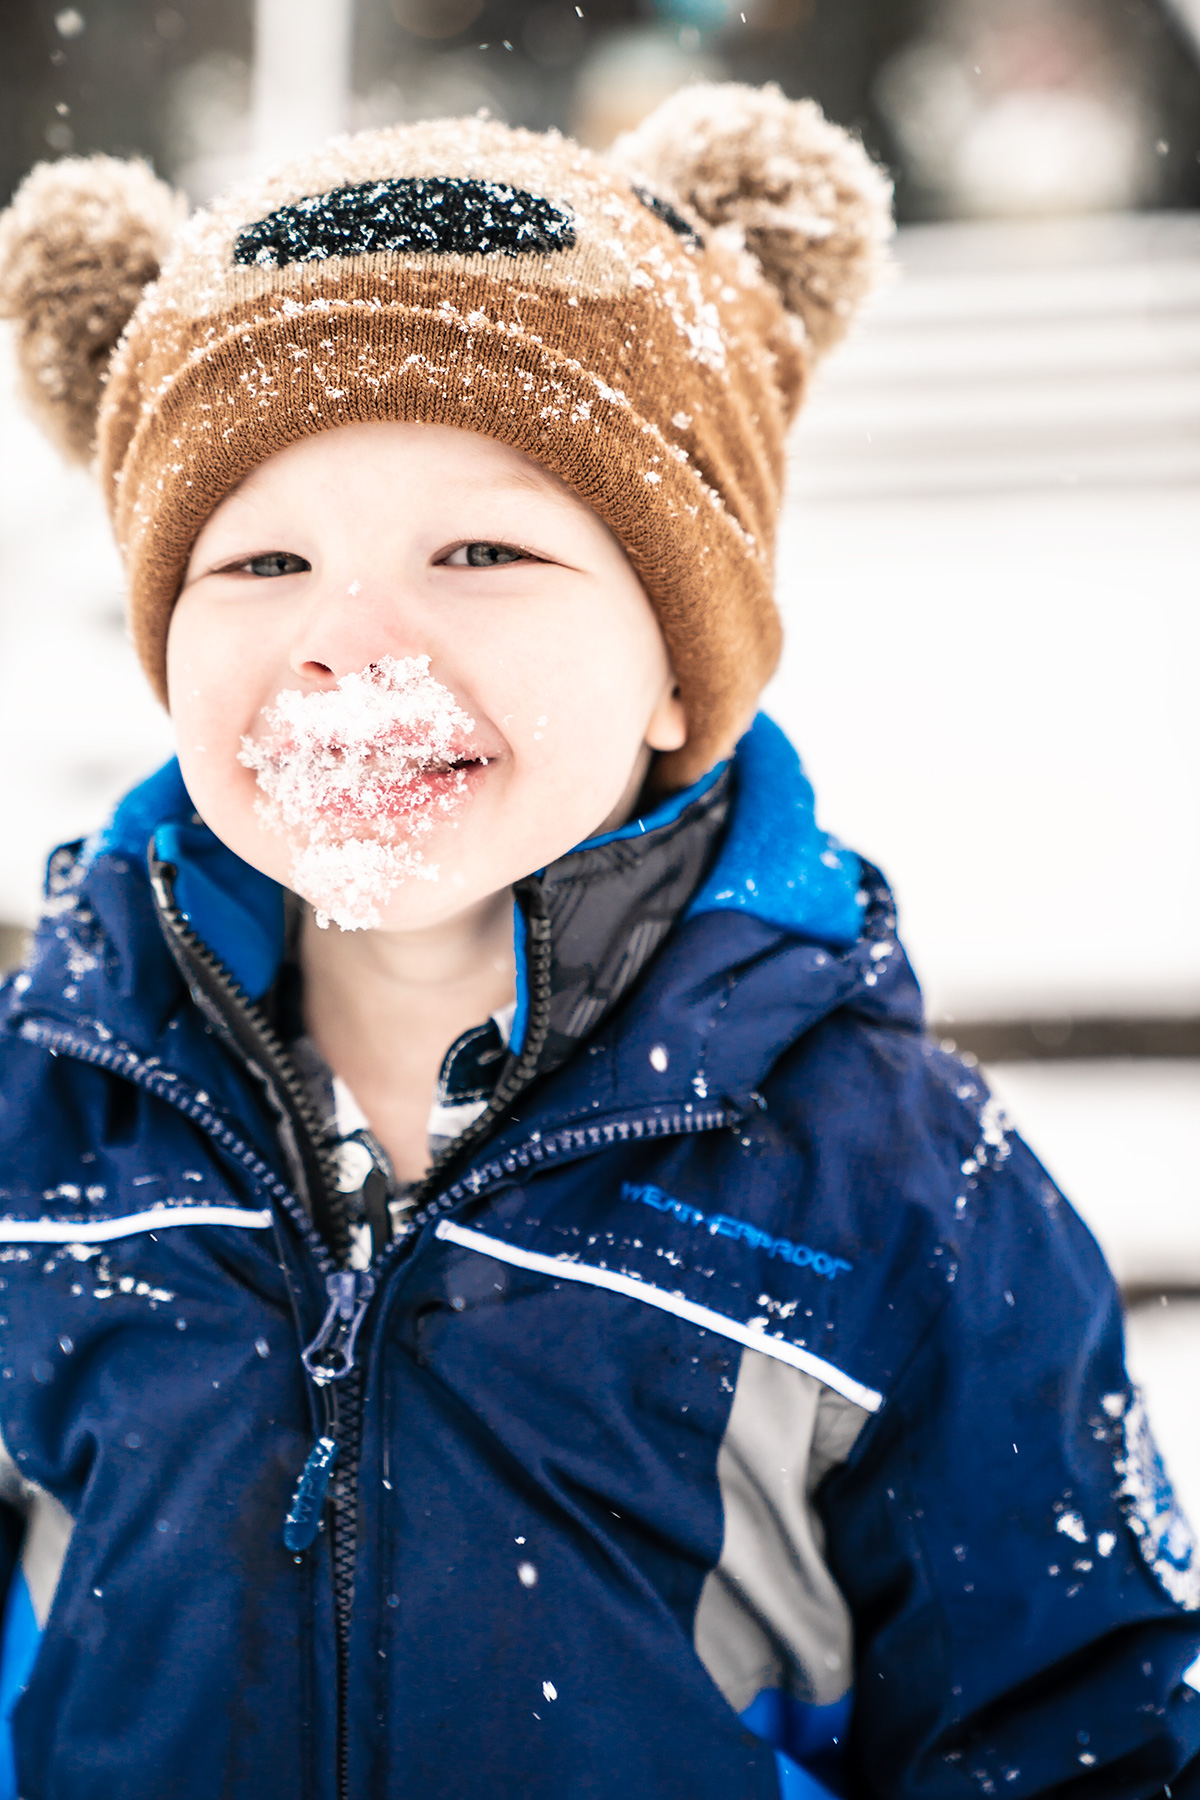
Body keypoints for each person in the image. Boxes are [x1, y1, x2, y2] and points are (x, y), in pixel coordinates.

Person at [0, 82, 1196, 1800]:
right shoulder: (41, 1134)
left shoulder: (900, 1193)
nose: (350, 640)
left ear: (676, 672)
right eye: (257, 559)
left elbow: (1073, 1735)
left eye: (483, 547)